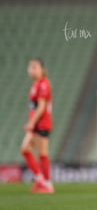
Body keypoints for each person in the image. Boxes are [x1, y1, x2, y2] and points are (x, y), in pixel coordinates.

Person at [21, 58, 54, 193]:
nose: (31, 70)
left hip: (42, 123)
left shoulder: (43, 84)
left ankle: (47, 184)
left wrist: (31, 122)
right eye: (30, 67)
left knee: (42, 154)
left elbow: (41, 107)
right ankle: (40, 180)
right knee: (25, 149)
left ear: (42, 69)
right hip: (36, 124)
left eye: (35, 67)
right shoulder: (36, 84)